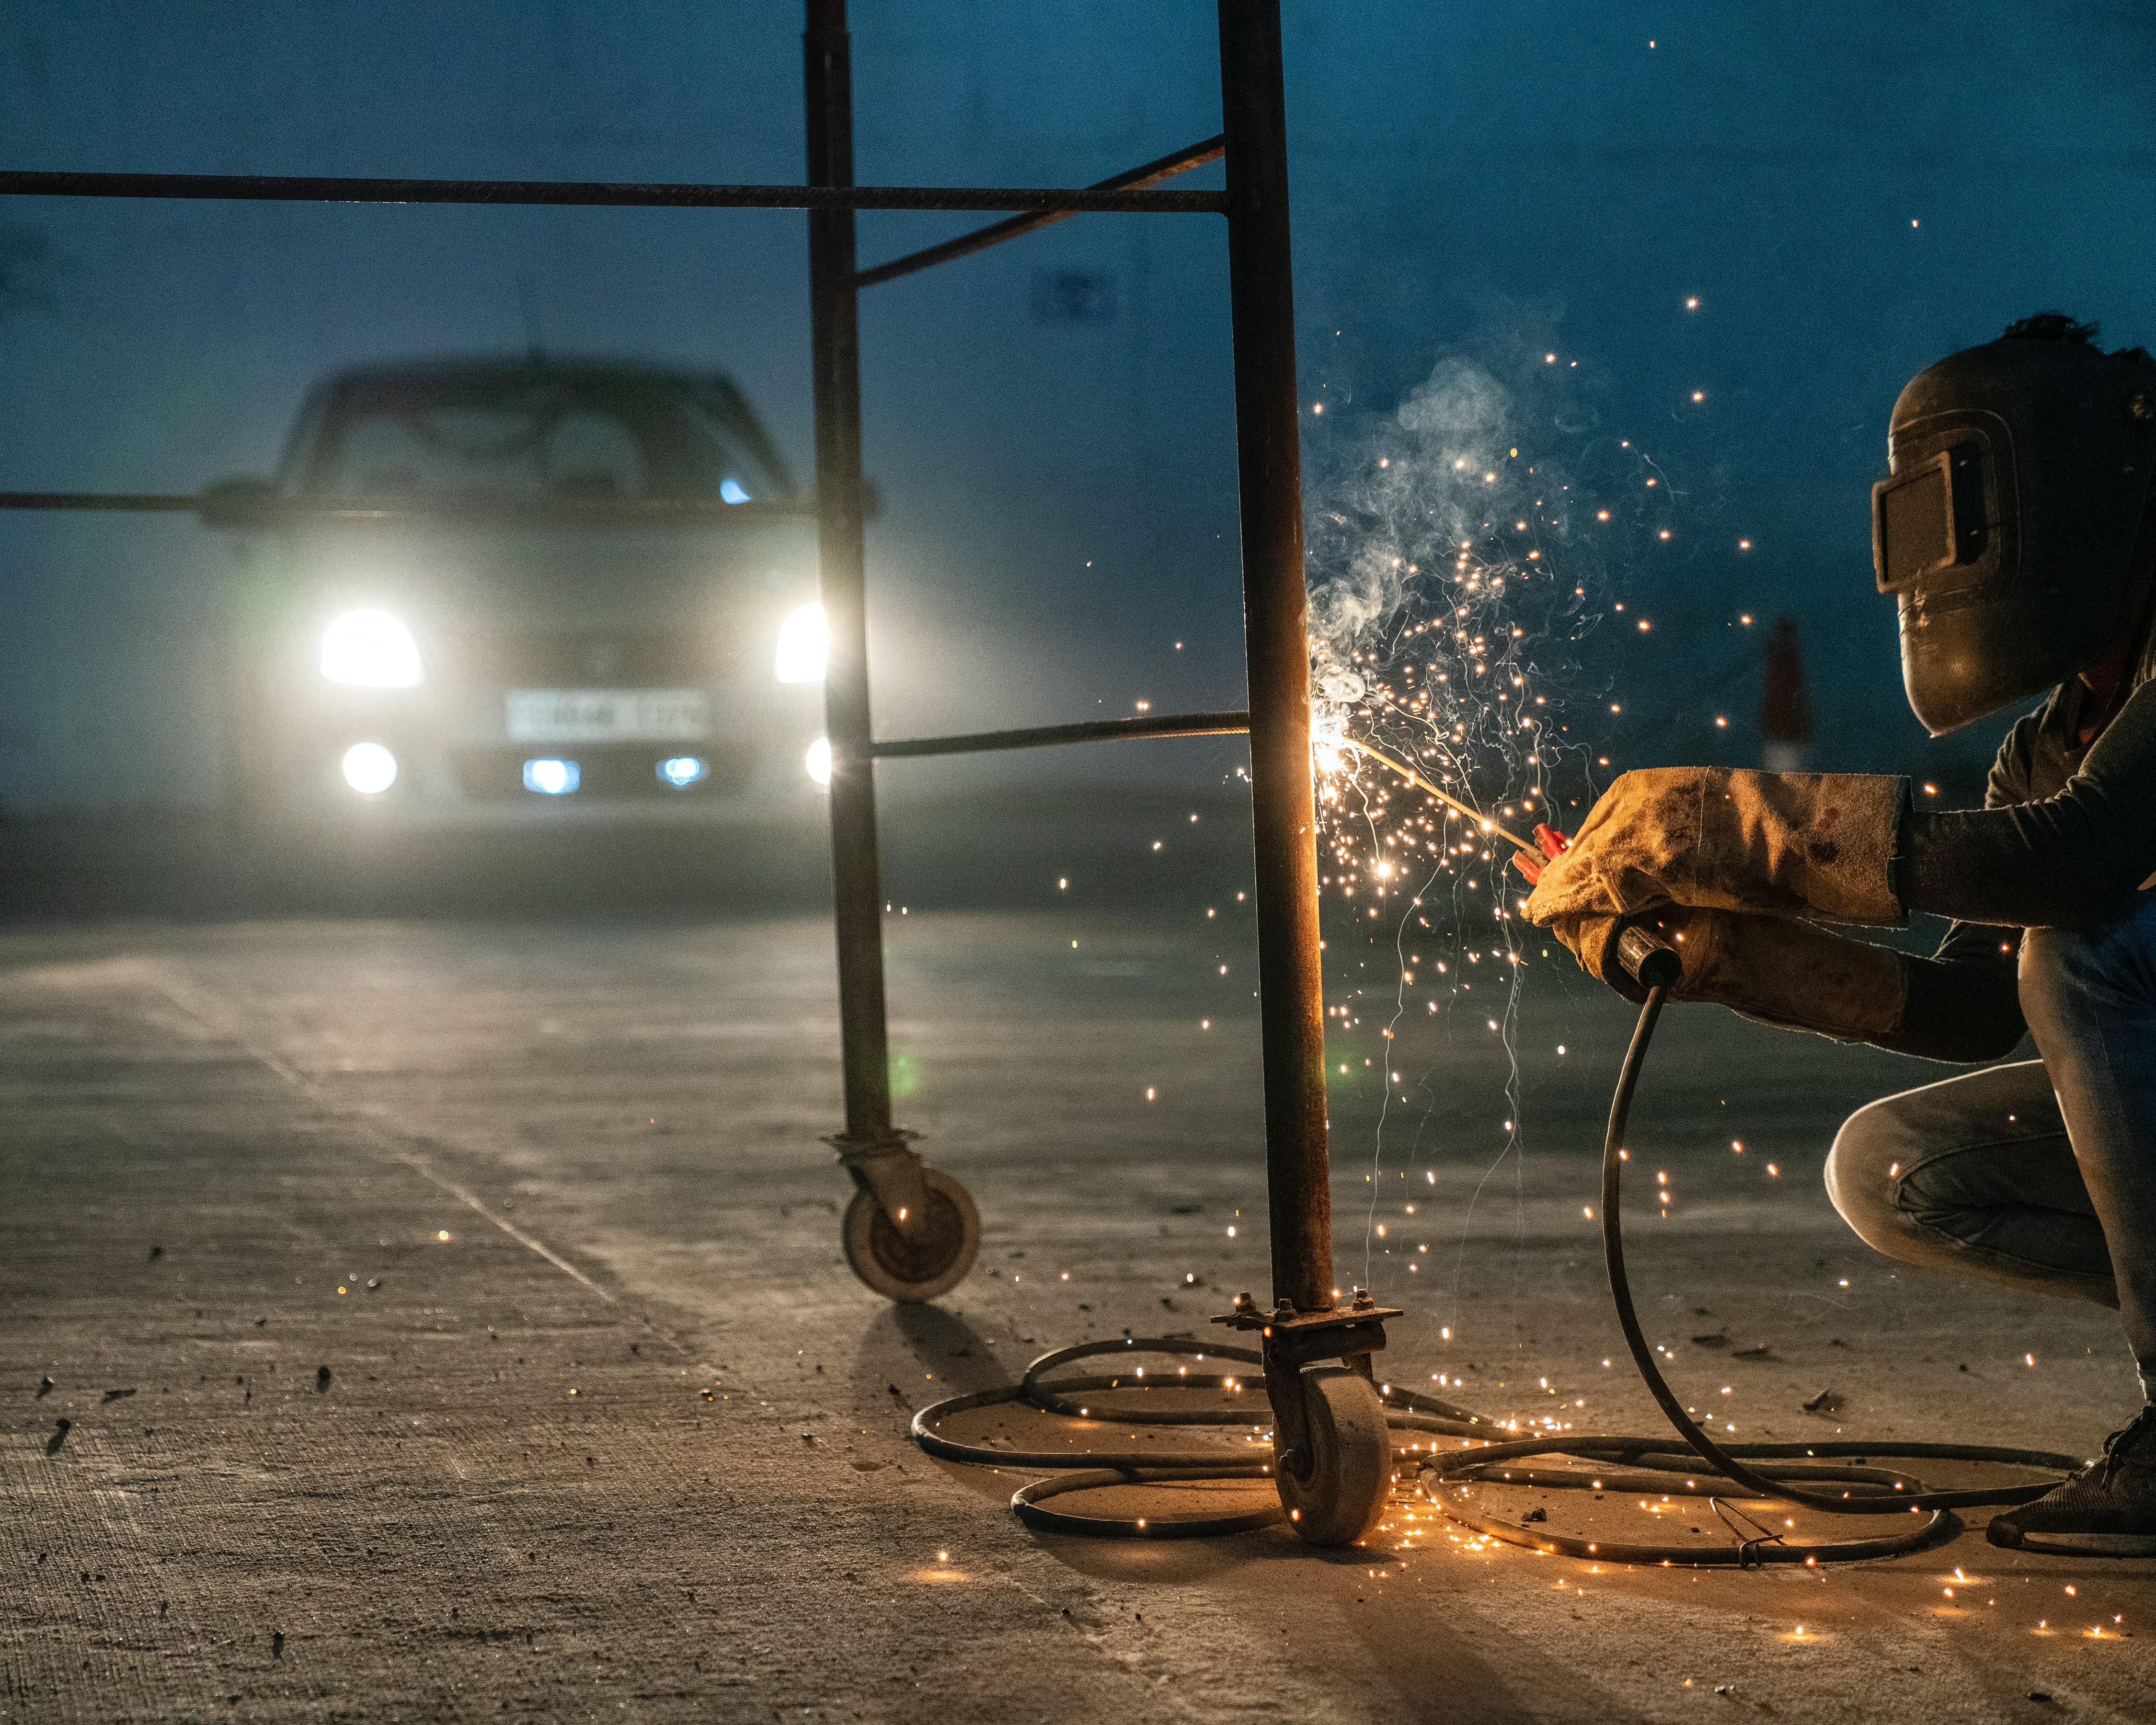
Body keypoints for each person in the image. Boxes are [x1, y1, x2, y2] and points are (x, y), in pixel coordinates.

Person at [1524, 312, 2156, 1555]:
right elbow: (1973, 1007)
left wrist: (1751, 829)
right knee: (1892, 1169)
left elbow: (2071, 861)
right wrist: (1736, 956)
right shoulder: (2048, 742)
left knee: (2079, 955)